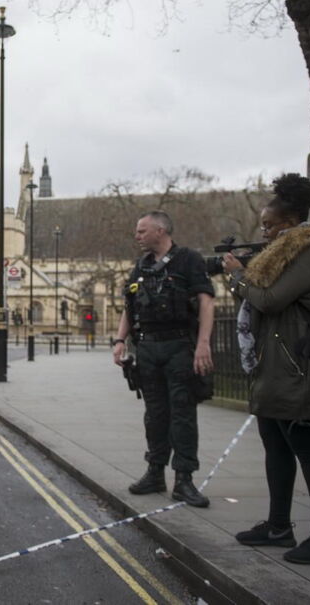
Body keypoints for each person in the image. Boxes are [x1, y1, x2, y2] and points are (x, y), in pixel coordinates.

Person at [222, 173, 310, 564]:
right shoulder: (282, 256)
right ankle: (279, 525)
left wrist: (237, 277)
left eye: (269, 225)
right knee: (276, 447)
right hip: (275, 367)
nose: (264, 232)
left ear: (291, 222)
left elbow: (270, 300)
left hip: (299, 368)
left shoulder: (307, 254)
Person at [112, 210, 215, 508]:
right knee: (155, 414)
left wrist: (203, 344)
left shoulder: (189, 260)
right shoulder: (141, 265)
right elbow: (129, 305)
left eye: (142, 231)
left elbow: (206, 302)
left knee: (182, 413)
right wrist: (120, 340)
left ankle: (184, 479)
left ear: (160, 231)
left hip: (179, 345)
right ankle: (155, 472)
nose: (137, 236)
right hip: (147, 348)